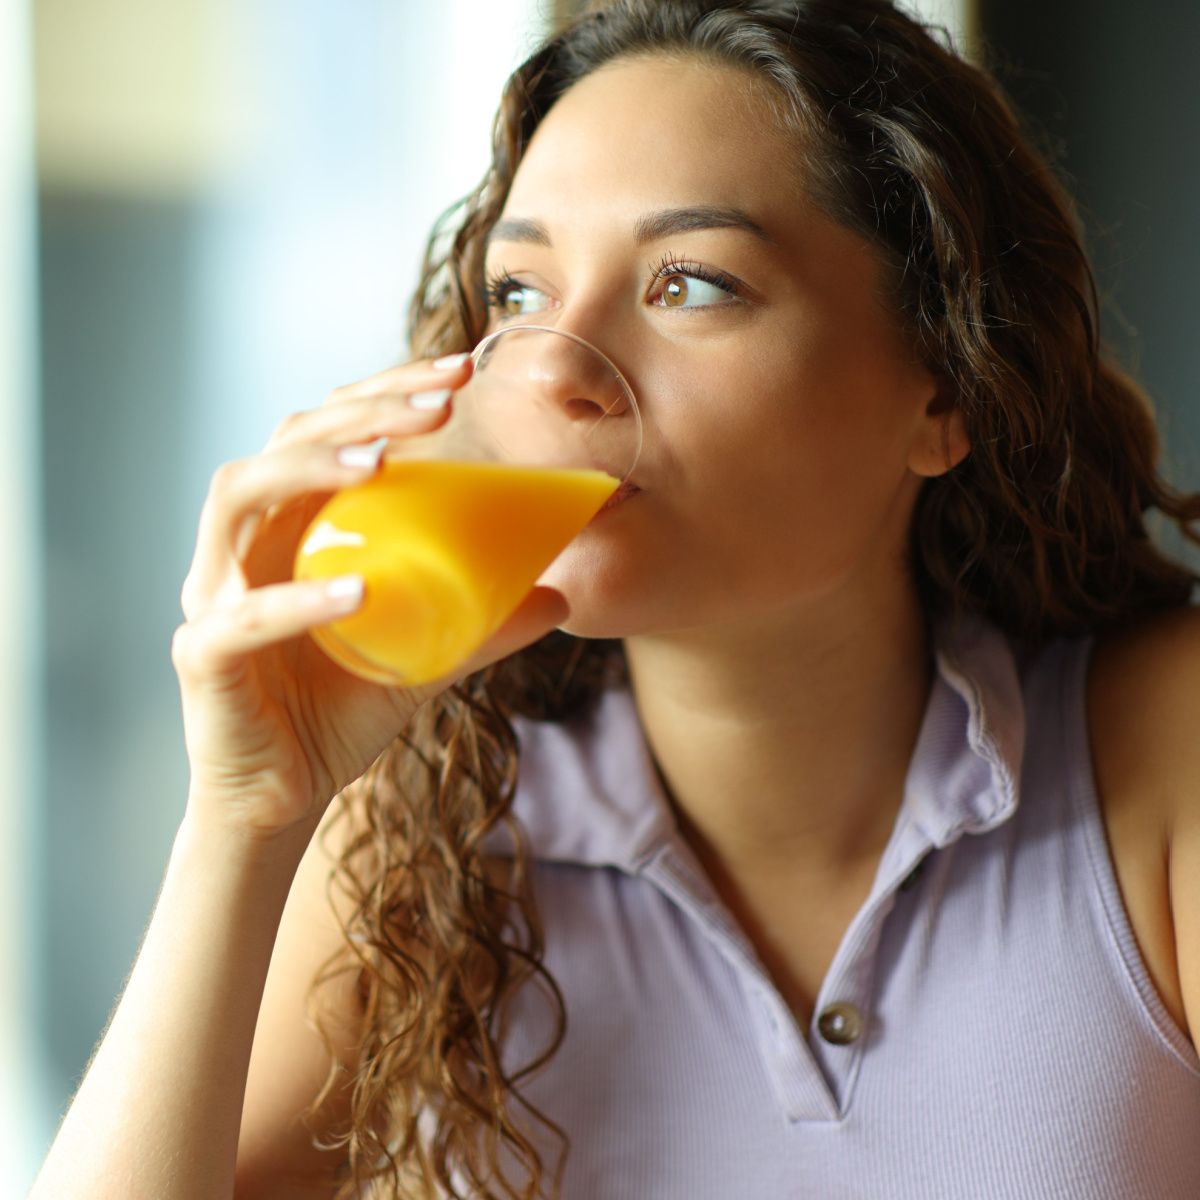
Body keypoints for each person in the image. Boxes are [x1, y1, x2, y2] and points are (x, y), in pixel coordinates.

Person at [29, 1, 1200, 1197]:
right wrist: (245, 820)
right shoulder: (430, 841)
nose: (559, 373)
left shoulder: (1159, 753)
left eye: (688, 284)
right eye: (522, 295)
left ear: (945, 385)